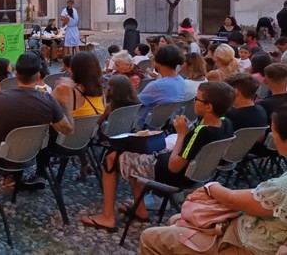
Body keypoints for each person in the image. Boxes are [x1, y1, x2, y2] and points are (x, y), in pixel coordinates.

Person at [83, 81, 234, 232]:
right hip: (195, 176)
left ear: (209, 107)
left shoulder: (201, 132)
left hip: (170, 174)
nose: (194, 101)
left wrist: (181, 135)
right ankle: (139, 209)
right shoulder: (225, 123)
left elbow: (174, 166)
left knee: (112, 157)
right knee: (136, 154)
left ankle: (107, 217)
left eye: (197, 99)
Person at [139, 105, 287, 255]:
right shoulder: (226, 123)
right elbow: (260, 198)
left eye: (273, 132)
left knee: (149, 237)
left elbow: (174, 167)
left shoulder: (204, 130)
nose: (272, 137)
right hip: (245, 230)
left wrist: (210, 188)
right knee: (177, 219)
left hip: (241, 243)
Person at [0, 52, 73, 205]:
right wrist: (65, 102)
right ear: (38, 75)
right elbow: (67, 130)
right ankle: (16, 177)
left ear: (16, 74)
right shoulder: (48, 100)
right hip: (30, 154)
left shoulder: (0, 98)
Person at [27, 51, 105, 185]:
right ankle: (84, 163)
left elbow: (46, 109)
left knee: (44, 131)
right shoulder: (101, 91)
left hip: (64, 143)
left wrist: (59, 91)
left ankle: (40, 173)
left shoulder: (68, 90)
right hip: (85, 141)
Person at [136, 45, 186, 128]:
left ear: (157, 61)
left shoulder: (156, 86)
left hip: (142, 123)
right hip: (163, 123)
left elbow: (135, 103)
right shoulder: (181, 81)